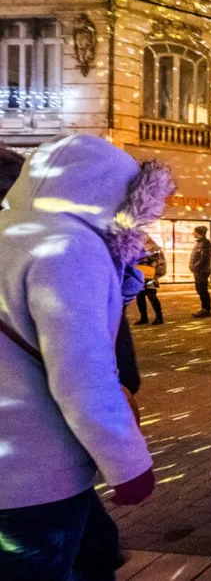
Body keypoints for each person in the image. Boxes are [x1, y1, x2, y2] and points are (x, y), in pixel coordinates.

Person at [0, 135, 167, 580]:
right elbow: (82, 372)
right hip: (37, 473)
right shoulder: (71, 249)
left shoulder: (12, 230)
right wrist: (129, 466)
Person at [135, 235, 166, 325]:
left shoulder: (155, 249)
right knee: (140, 297)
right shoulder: (138, 248)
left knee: (151, 295)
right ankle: (144, 317)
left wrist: (154, 264)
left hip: (150, 276)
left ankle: (159, 317)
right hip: (140, 276)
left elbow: (161, 261)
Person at [190, 225, 211, 318]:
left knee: (203, 290)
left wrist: (196, 267)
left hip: (202, 271)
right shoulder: (200, 242)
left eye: (194, 232)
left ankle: (206, 310)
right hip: (199, 271)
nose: (193, 233)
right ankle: (204, 309)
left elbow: (205, 258)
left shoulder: (205, 243)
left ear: (199, 233)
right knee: (200, 290)